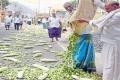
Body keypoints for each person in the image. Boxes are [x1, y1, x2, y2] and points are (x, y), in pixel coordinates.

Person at [83, 1, 120, 80]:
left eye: (108, 9)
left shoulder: (117, 15)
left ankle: (109, 77)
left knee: (111, 64)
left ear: (115, 6)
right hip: (108, 43)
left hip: (114, 44)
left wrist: (88, 21)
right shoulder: (113, 11)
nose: (106, 10)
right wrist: (95, 1)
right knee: (107, 62)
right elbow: (104, 6)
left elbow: (100, 22)